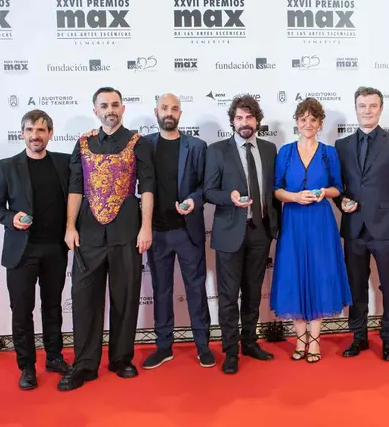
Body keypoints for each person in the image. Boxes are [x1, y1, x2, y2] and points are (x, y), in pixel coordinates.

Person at [58, 87, 155, 391]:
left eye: (115, 105)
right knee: (85, 299)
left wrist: (146, 227)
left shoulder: (137, 143)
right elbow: (76, 187)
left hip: (127, 230)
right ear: (95, 110)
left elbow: (148, 188)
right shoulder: (83, 143)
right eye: (104, 105)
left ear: (122, 109)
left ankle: (121, 358)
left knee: (125, 297)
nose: (110, 110)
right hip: (88, 233)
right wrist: (70, 226)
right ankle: (85, 364)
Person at [0, 109, 71, 390]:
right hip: (21, 252)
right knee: (22, 311)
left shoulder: (63, 163)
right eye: (30, 130)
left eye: (41, 130)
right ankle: (27, 366)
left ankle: (55, 357)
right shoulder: (7, 166)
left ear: (50, 133)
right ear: (22, 133)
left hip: (55, 250)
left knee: (53, 307)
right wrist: (11, 218)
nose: (35, 135)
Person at [333, 86, 389, 361]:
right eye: (362, 105)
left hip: (387, 229)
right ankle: (358, 337)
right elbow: (338, 187)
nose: (367, 110)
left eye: (372, 105)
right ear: (355, 108)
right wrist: (342, 202)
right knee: (356, 286)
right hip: (354, 228)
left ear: (380, 109)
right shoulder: (342, 145)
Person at [270, 97, 352, 363]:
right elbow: (276, 189)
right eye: (303, 119)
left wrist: (322, 193)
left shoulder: (329, 153)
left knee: (318, 275)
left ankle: (315, 341)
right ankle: (300, 339)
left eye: (312, 119)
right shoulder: (285, 152)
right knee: (293, 276)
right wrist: (294, 197)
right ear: (297, 122)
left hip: (320, 222)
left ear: (320, 123)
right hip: (293, 221)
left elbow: (338, 187)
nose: (307, 124)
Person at [204, 94, 281, 374]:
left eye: (249, 117)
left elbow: (274, 192)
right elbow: (208, 191)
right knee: (228, 296)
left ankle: (249, 342)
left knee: (252, 294)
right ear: (232, 121)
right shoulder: (217, 151)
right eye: (239, 118)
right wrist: (229, 197)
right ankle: (230, 350)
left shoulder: (270, 150)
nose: (244, 123)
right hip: (228, 233)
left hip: (260, 232)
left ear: (257, 120)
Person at [141, 93, 214, 369]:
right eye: (164, 108)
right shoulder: (144, 145)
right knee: (161, 290)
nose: (169, 113)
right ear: (156, 111)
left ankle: (203, 346)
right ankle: (163, 347)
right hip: (156, 233)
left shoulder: (196, 146)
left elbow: (204, 187)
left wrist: (193, 200)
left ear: (180, 114)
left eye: (174, 108)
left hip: (187, 231)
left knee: (196, 289)